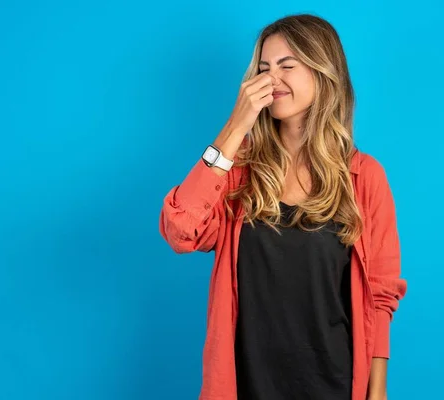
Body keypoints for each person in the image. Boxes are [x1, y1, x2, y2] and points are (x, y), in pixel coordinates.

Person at [159, 13, 407, 400]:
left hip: (334, 384)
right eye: (263, 68)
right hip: (247, 385)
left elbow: (380, 294)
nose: (271, 79)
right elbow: (180, 231)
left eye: (287, 66)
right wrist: (234, 128)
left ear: (323, 72)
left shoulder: (364, 177)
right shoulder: (238, 170)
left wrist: (377, 393)